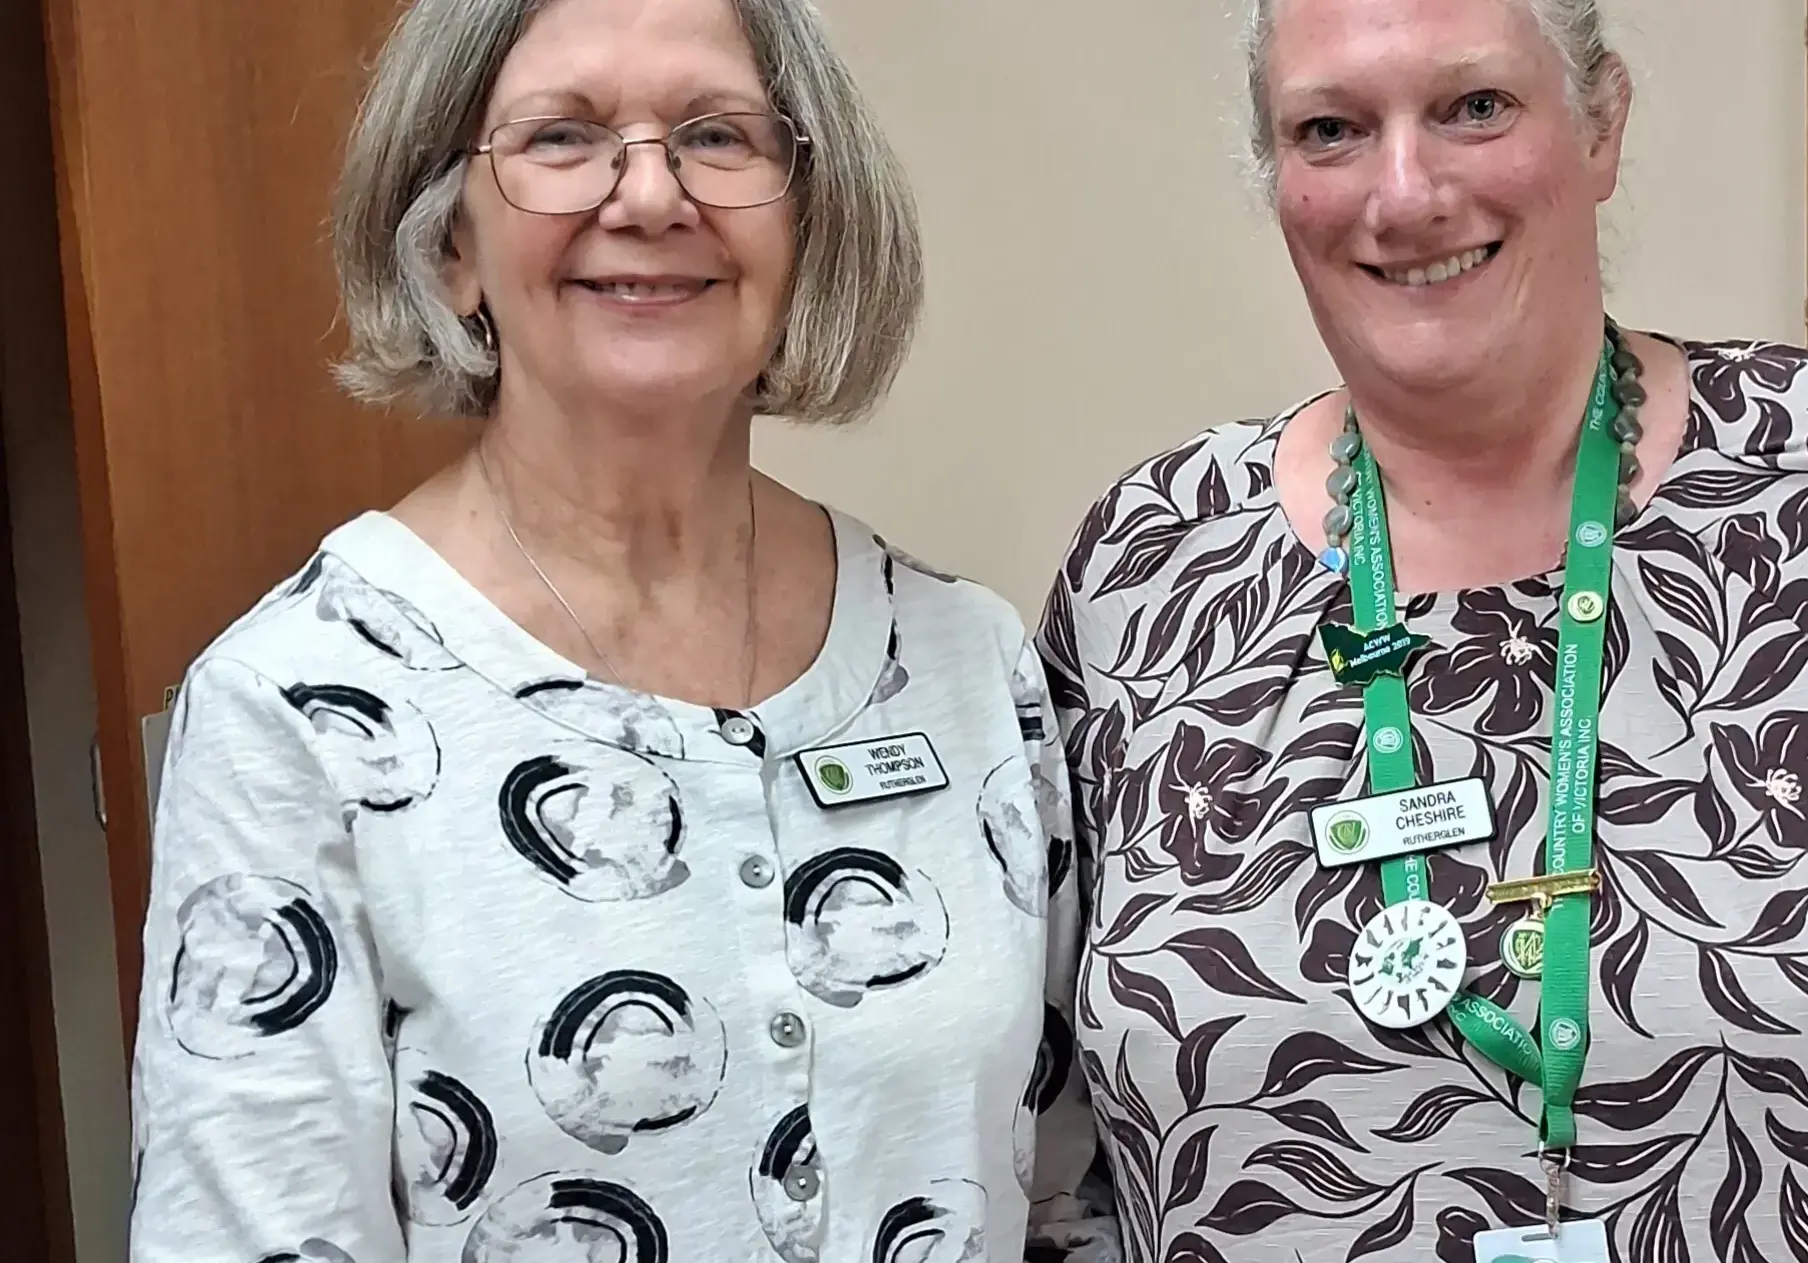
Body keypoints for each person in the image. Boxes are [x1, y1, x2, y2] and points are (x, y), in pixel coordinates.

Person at [126, 0, 1117, 1259]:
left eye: (715, 136)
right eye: (561, 138)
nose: (650, 195)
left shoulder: (964, 663)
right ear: (449, 249)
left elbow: (1061, 1201)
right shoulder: (297, 710)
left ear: (804, 222)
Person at [1040, 0, 1808, 1259]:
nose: (1405, 192)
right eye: (1329, 129)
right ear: (1275, 180)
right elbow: (1058, 1158)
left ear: (1599, 125)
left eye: (1473, 108)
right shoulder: (1150, 562)